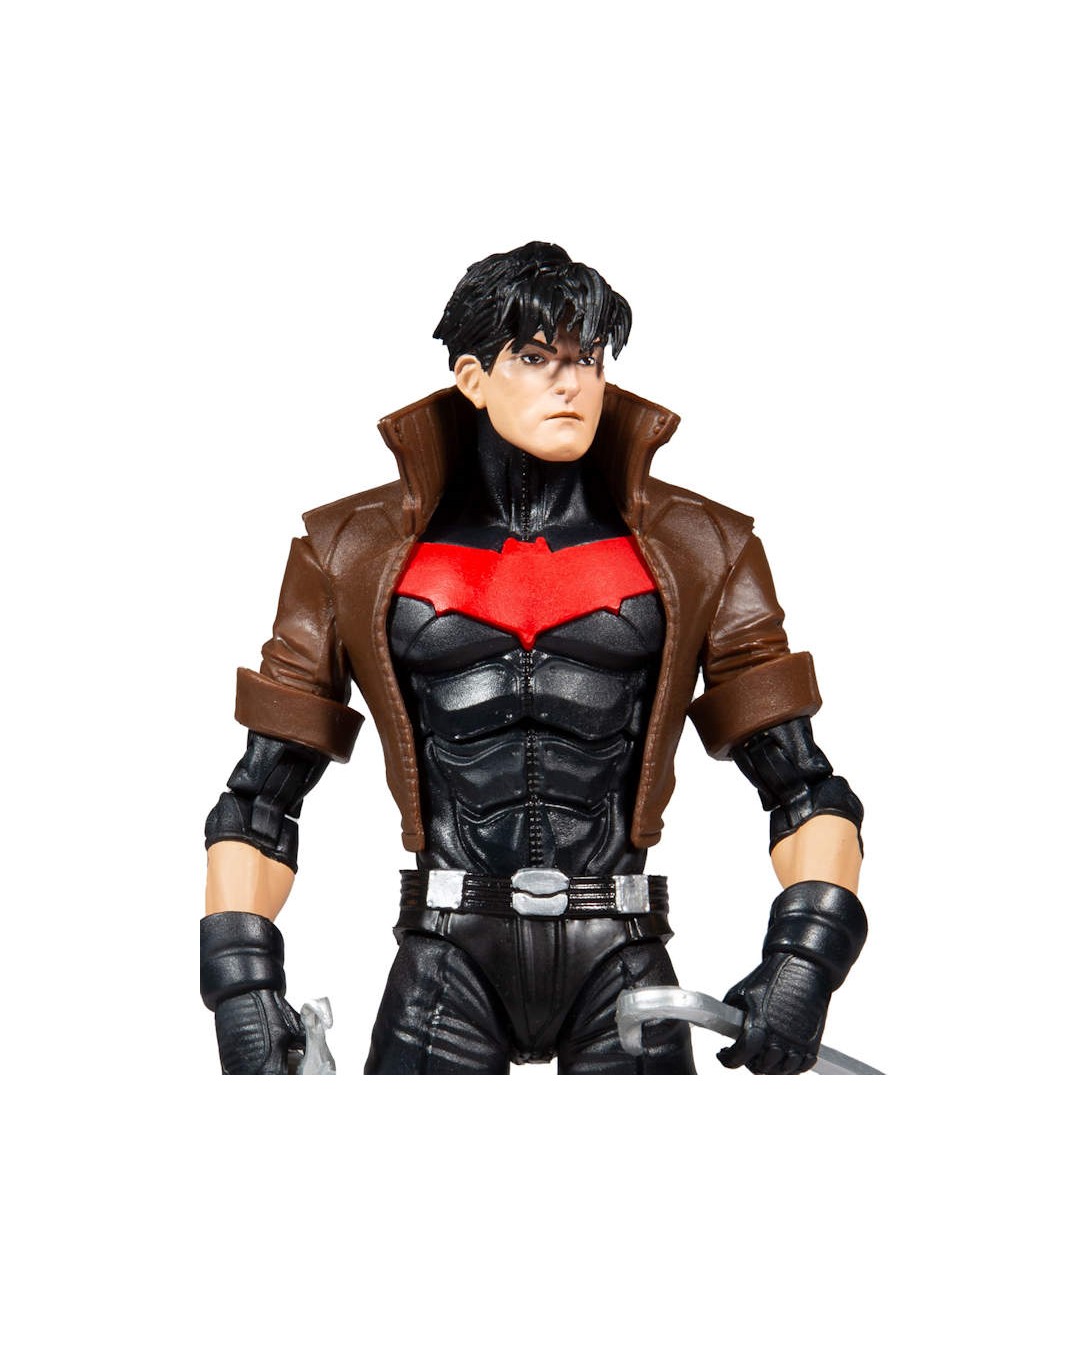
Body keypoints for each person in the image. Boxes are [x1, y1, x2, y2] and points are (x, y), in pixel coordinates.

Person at [199, 242, 868, 1075]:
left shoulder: (703, 547)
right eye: (535, 357)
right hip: (447, 952)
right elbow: (261, 800)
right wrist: (241, 983)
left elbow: (803, 788)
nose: (569, 383)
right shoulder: (349, 551)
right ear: (472, 377)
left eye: (588, 359)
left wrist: (806, 957)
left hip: (619, 951)